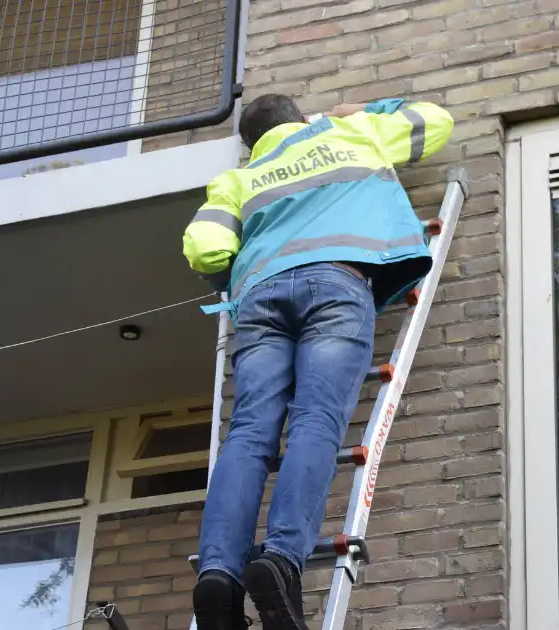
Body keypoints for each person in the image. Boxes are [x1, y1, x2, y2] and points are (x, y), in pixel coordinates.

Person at [181, 94, 454, 630]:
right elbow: (436, 122)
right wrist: (371, 109)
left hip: (259, 300)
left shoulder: (241, 177)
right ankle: (280, 561)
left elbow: (206, 249)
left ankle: (218, 575)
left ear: (252, 140)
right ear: (300, 119)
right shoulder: (351, 134)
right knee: (315, 420)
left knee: (248, 436)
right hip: (336, 285)